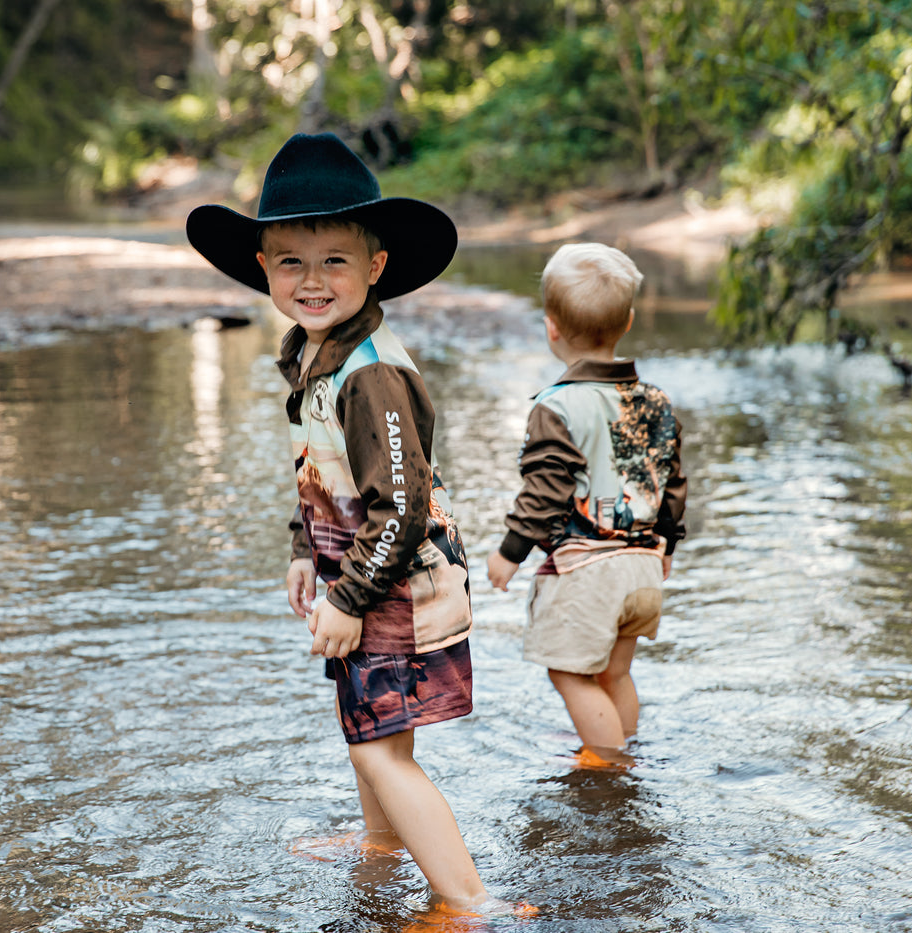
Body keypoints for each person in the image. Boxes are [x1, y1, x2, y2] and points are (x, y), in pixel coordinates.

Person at [186, 132, 496, 912]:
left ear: (376, 265)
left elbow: (402, 505)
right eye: (292, 260)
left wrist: (348, 596)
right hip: (361, 578)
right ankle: (382, 846)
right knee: (366, 728)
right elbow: (325, 475)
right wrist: (304, 553)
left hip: (396, 585)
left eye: (334, 260)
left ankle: (470, 903)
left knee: (383, 749)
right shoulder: (315, 354)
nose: (312, 280)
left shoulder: (372, 377)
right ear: (263, 267)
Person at [486, 242, 688, 767]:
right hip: (644, 567)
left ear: (551, 327)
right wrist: (666, 543)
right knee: (614, 673)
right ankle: (621, 755)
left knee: (569, 673)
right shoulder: (657, 402)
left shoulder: (556, 407)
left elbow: (545, 488)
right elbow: (672, 481)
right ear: (629, 321)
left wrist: (509, 552)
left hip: (590, 571)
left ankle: (607, 765)